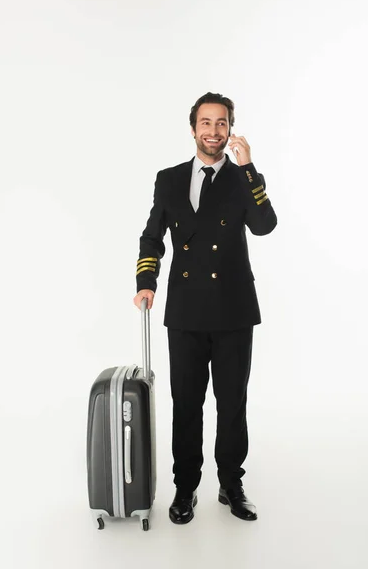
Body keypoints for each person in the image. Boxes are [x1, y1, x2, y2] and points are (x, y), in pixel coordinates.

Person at [133, 92, 277, 524]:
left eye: (222, 123)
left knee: (231, 402)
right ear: (192, 127)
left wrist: (249, 167)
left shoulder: (242, 179)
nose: (213, 131)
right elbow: (152, 237)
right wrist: (146, 282)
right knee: (186, 403)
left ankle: (231, 484)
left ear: (230, 129)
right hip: (186, 311)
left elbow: (265, 225)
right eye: (206, 122)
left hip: (233, 309)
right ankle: (185, 488)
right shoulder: (169, 178)